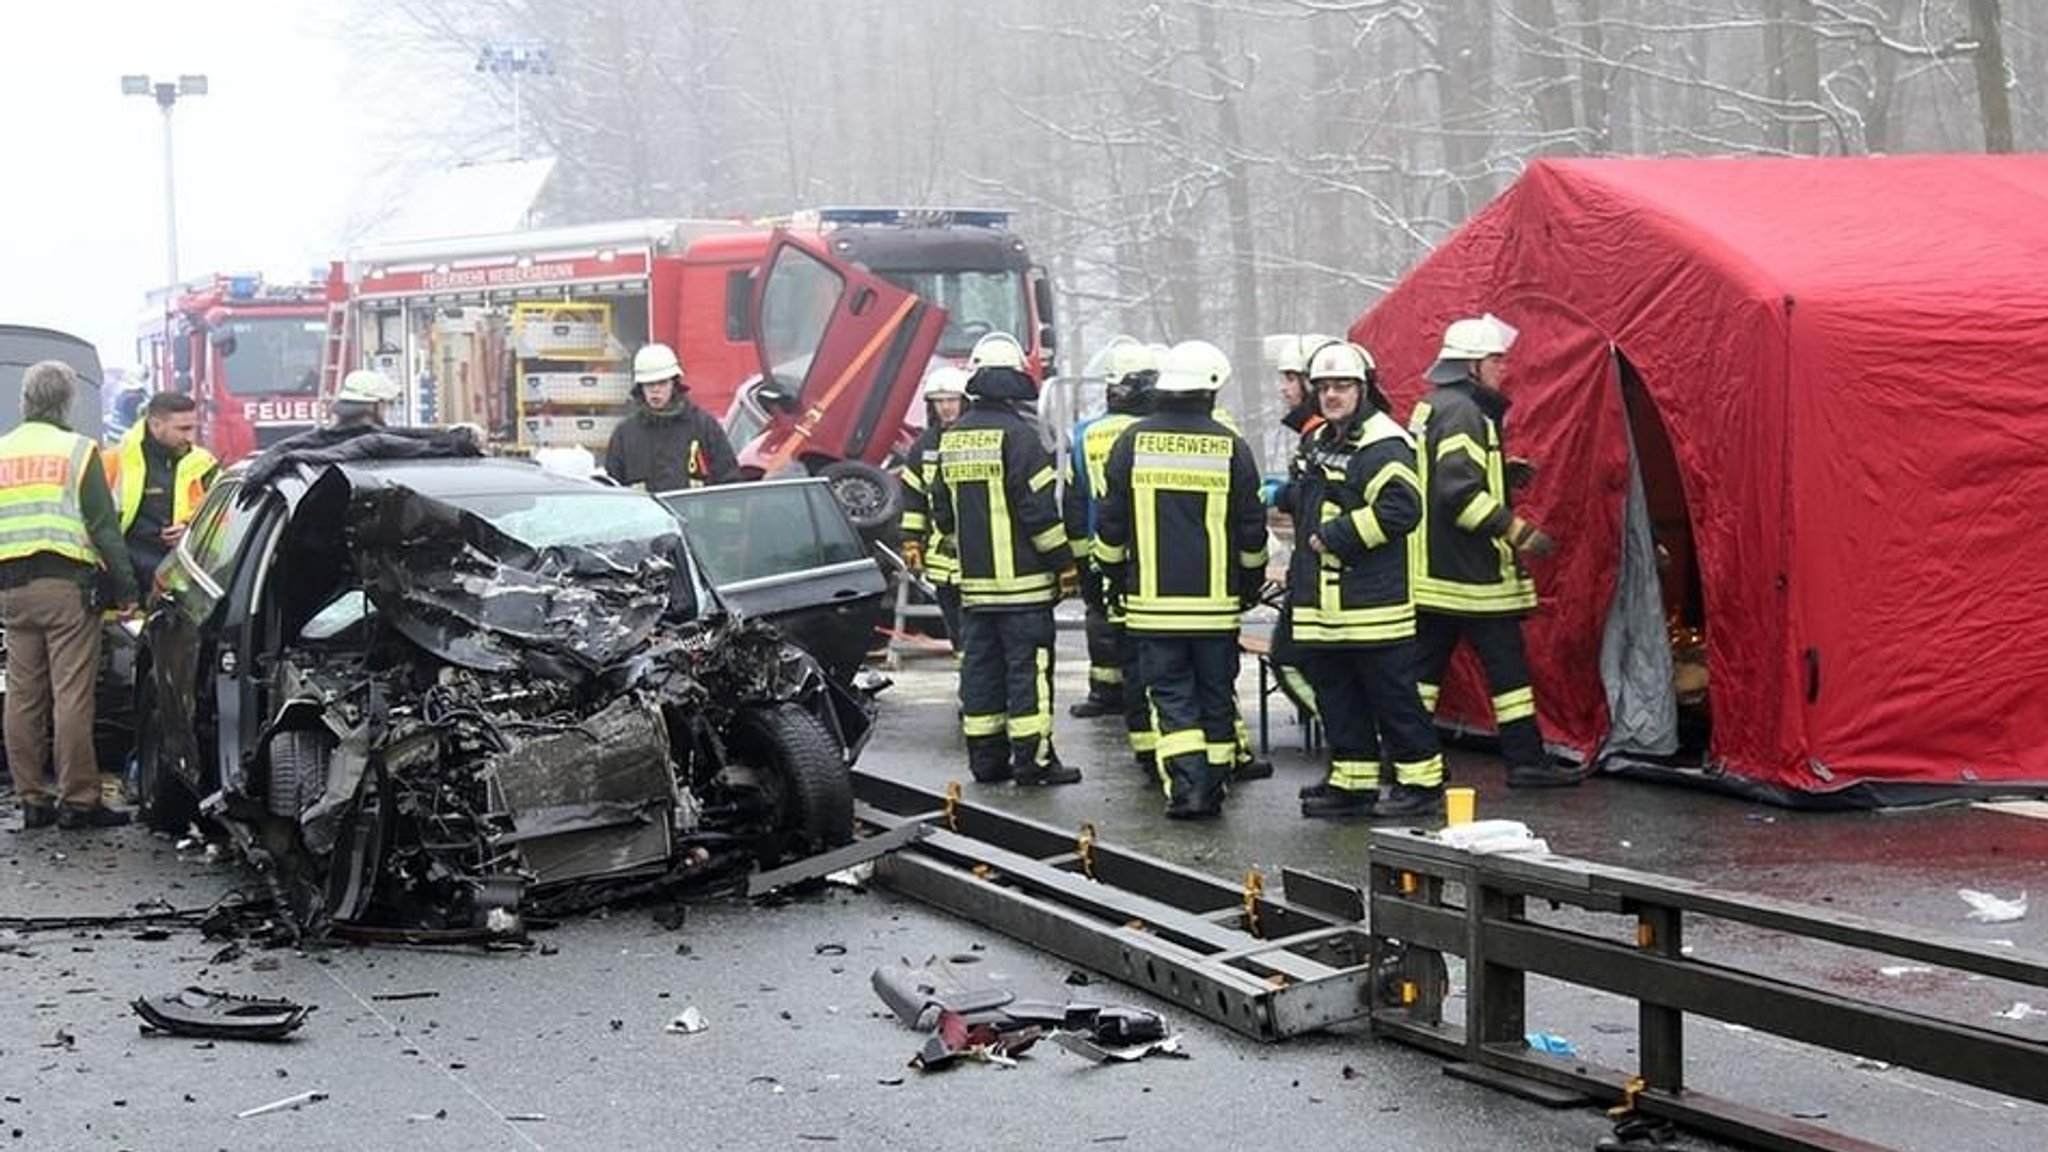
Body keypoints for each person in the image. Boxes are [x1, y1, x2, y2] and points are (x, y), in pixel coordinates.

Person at [1097, 340, 1267, 820]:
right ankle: (1214, 787)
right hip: (1215, 607)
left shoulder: (1130, 443)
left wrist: (1114, 575)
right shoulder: (1231, 446)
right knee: (1215, 695)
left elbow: (1109, 526)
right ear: (1211, 391)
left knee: (1171, 699)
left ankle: (1188, 792)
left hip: (1152, 606)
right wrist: (1248, 584)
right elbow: (1251, 530)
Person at [1409, 316, 1581, 789]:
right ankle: (1526, 762)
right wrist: (1519, 532)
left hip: (1436, 574)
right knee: (1508, 672)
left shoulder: (1435, 406)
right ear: (1472, 366)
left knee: (1423, 673)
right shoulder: (1466, 413)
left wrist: (1501, 470)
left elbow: (1437, 474)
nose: (1504, 368)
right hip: (1473, 577)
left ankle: (1408, 759)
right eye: (1496, 359)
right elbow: (1457, 495)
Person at [1283, 342, 1446, 820]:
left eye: (1342, 386)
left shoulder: (1383, 442)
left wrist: (1337, 535)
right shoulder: (1322, 440)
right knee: (1338, 694)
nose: (1332, 395)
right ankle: (1352, 783)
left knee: (1392, 695)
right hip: (1325, 604)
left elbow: (1402, 509)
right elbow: (1318, 492)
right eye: (1325, 387)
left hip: (1370, 602)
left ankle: (1422, 784)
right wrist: (1291, 494)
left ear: (1364, 388)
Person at [930, 333, 1080, 787]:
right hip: (1025, 590)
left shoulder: (952, 440)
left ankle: (987, 762)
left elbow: (942, 512)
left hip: (973, 589)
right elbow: (1038, 512)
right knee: (1026, 672)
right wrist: (1064, 564)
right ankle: (1033, 763)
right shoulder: (1019, 436)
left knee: (980, 671)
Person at [0, 361, 139, 831]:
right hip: (67, 590)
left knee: (22, 696)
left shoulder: (2, 452)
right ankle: (79, 800)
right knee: (72, 696)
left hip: (12, 592)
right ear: (67, 400)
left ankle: (32, 799)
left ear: (26, 399)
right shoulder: (77, 451)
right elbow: (103, 527)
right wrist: (127, 589)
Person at [1063, 338, 1155, 720]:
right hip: (1153, 547)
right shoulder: (1157, 432)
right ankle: (1145, 693)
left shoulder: (1086, 433)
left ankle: (1104, 692)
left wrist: (1080, 559)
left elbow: (1074, 499)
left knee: (1102, 617)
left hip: (1098, 543)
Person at [102, 391, 220, 596]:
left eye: (193, 428)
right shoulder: (115, 461)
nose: (190, 437)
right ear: (156, 424)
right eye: (183, 429)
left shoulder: (204, 464)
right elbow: (96, 522)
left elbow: (225, 516)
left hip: (186, 575)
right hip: (125, 578)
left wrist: (191, 531)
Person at [898, 364, 971, 648]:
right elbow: (914, 501)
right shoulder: (923, 446)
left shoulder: (973, 440)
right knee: (957, 633)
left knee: (975, 632)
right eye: (939, 402)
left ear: (964, 401)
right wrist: (911, 543)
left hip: (976, 557)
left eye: (951, 400)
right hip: (942, 563)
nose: (945, 408)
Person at [604, 343, 738, 491]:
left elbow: (729, 482)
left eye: (662, 383)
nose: (655, 390)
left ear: (674, 383)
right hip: (645, 514)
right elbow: (612, 490)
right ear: (640, 387)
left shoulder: (703, 427)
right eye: (649, 384)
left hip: (692, 515)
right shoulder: (625, 434)